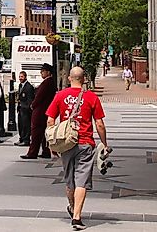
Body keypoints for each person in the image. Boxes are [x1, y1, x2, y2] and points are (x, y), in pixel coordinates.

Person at [46, 66, 108, 230]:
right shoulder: (91, 97)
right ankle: (77, 217)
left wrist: (52, 143)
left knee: (69, 180)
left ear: (69, 79)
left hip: (66, 143)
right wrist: (105, 144)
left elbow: (50, 121)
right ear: (84, 80)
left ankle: (73, 207)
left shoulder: (60, 95)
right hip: (85, 143)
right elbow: (100, 124)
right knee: (82, 181)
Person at [21, 63, 55, 159]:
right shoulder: (50, 82)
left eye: (43, 71)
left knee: (36, 132)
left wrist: (32, 105)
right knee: (44, 133)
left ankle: (32, 152)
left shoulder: (46, 83)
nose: (41, 73)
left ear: (48, 72)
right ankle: (45, 150)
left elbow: (39, 97)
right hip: (46, 111)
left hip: (40, 111)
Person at [15, 70, 35, 146]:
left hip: (26, 110)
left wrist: (27, 108)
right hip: (20, 108)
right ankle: (21, 138)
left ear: (25, 77)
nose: (20, 78)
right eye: (19, 77)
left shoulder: (29, 87)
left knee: (26, 125)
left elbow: (30, 99)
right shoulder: (20, 85)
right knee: (20, 125)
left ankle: (26, 140)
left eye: (22, 77)